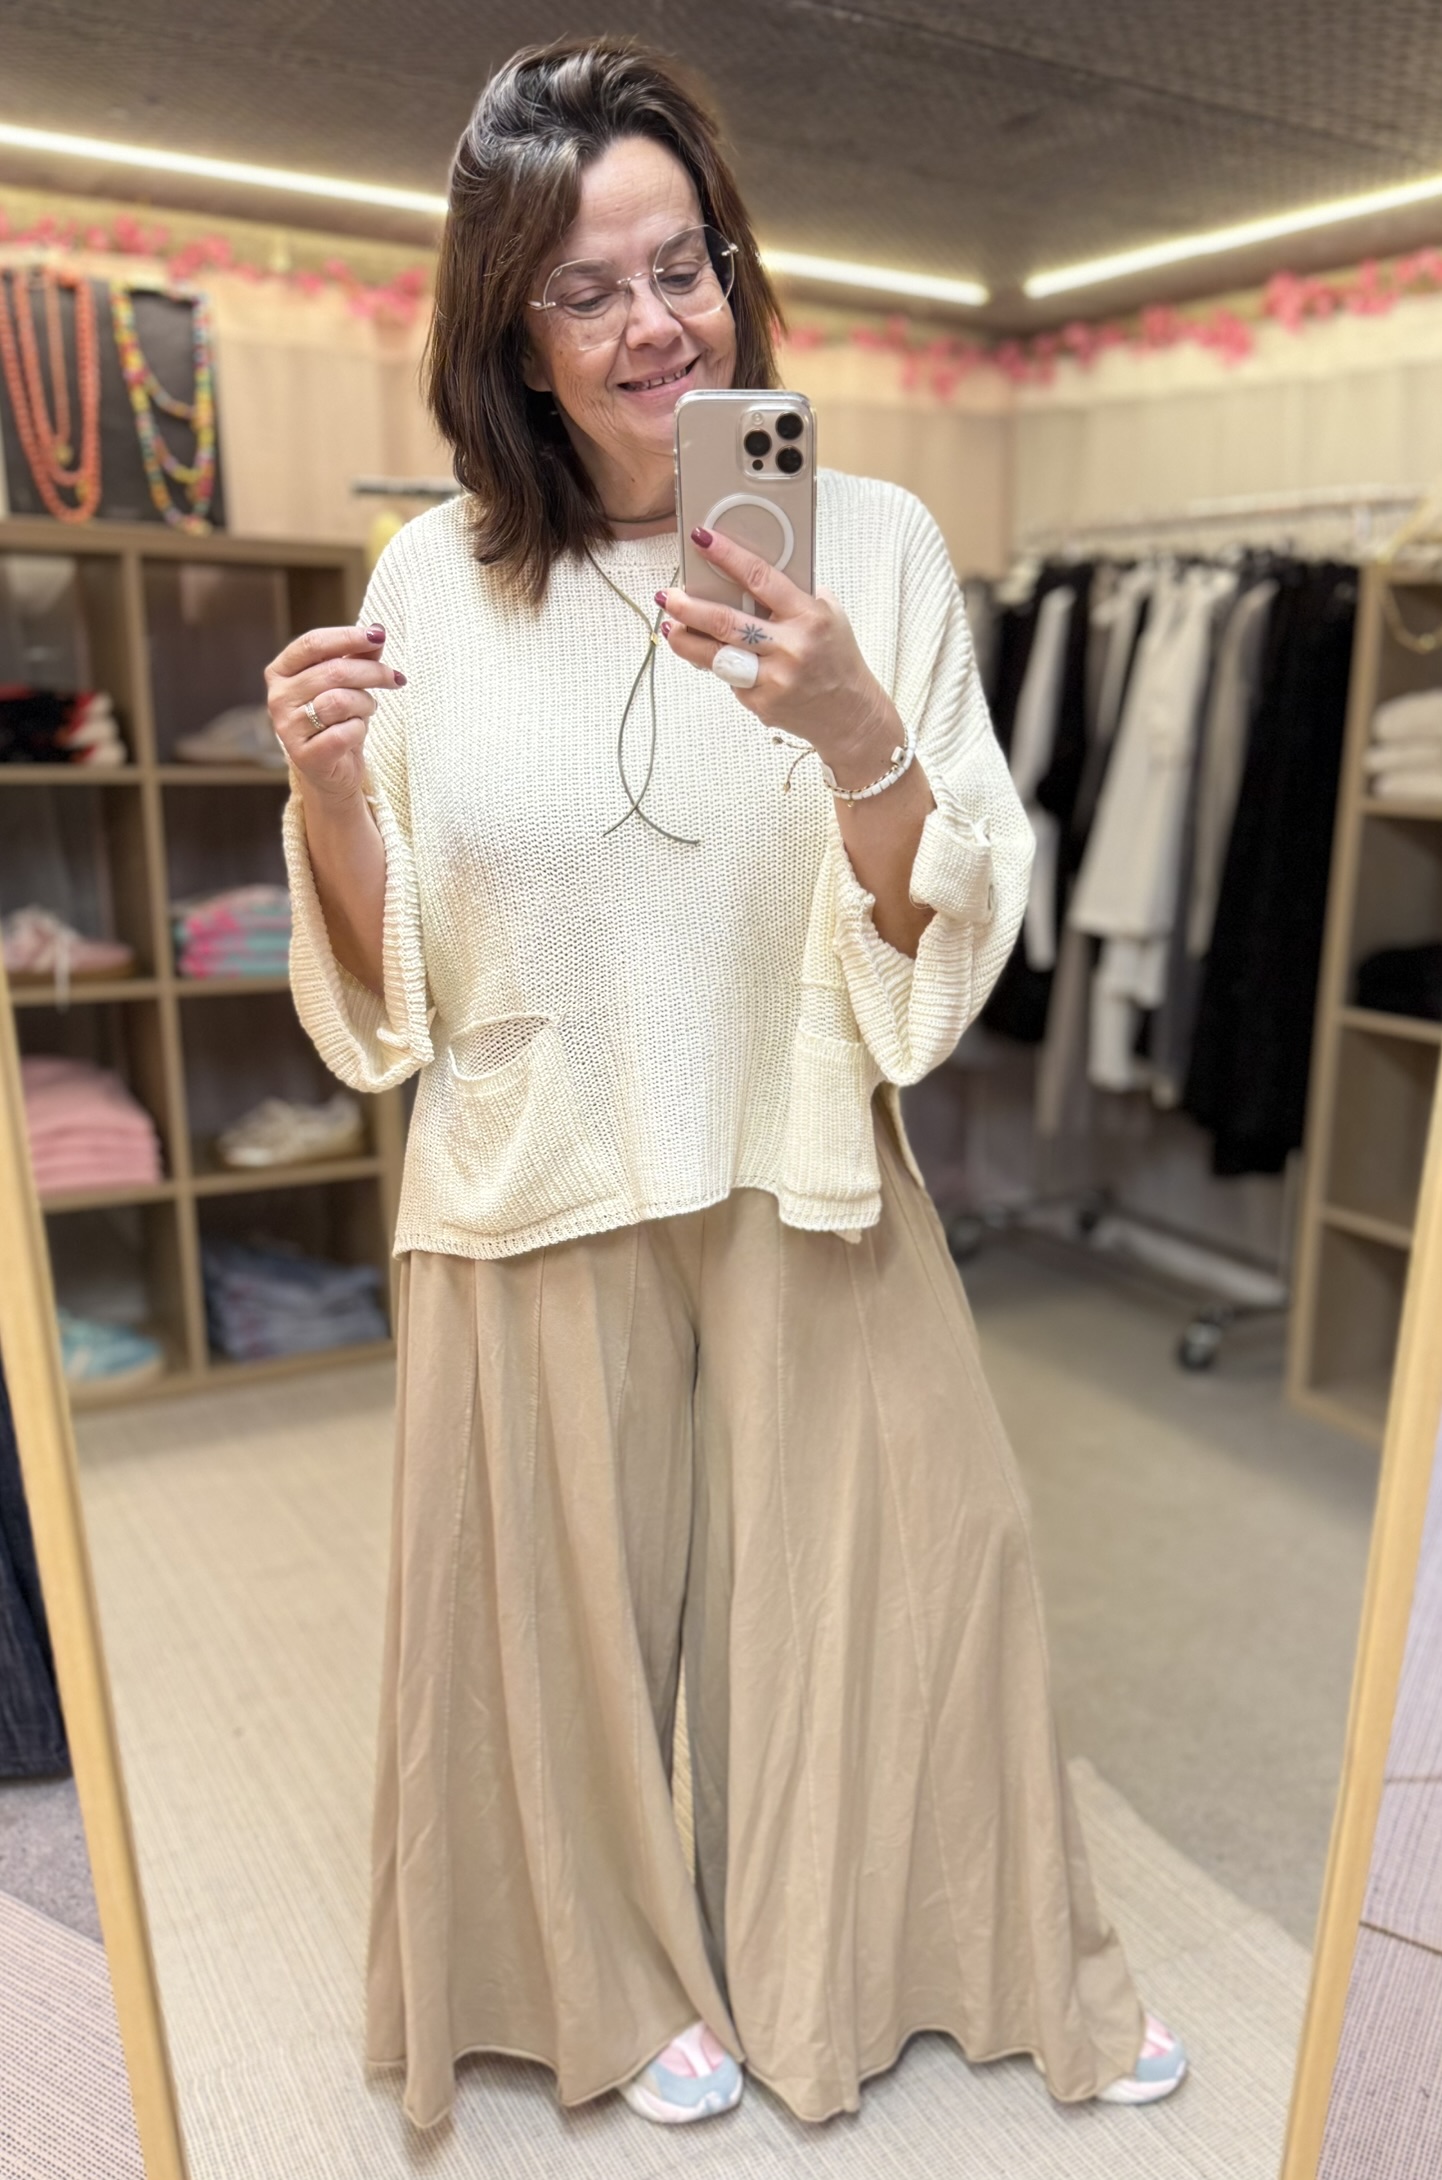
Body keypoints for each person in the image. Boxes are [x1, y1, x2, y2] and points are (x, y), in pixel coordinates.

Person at [266, 33, 1187, 2134]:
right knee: (543, 1629)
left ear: (732, 266)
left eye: (679, 266)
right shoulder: (431, 578)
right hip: (531, 1158)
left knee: (920, 1568)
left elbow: (944, 925)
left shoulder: (873, 543)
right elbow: (390, 984)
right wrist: (322, 796)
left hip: (799, 1142)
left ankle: (918, 1945)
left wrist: (860, 733)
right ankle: (595, 1979)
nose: (651, 325)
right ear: (507, 325)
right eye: (584, 290)